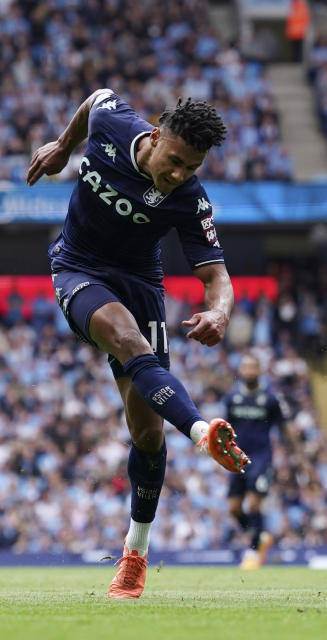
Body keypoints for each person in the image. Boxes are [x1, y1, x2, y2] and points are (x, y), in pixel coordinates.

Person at [26, 89, 250, 598]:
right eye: (173, 161)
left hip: (142, 284)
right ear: (153, 138)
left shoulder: (191, 199)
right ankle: (200, 431)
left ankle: (135, 554)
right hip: (79, 268)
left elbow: (217, 276)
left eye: (189, 168)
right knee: (126, 338)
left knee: (147, 434)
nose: (177, 175)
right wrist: (63, 145)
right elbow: (95, 97)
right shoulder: (112, 124)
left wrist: (219, 311)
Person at [226, 353, 293, 570]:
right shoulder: (232, 398)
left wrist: (296, 456)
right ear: (240, 371)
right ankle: (259, 536)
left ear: (259, 370)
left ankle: (254, 552)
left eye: (253, 367)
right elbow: (225, 430)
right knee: (234, 508)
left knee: (254, 502)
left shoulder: (271, 399)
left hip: (261, 457)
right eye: (245, 367)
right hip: (237, 458)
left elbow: (284, 429)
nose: (249, 371)